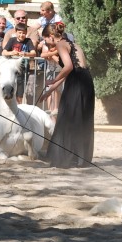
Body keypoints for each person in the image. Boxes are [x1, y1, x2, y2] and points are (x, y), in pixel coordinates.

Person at [39, 22, 95, 168]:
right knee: (82, 118)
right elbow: (70, 71)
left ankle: (67, 157)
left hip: (76, 82)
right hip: (86, 80)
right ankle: (81, 159)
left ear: (51, 36)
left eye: (46, 39)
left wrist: (53, 79)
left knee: (68, 118)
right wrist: (50, 90)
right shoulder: (74, 44)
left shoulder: (60, 45)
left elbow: (69, 67)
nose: (46, 43)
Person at [2, 22, 37, 103]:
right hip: (12, 68)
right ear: (16, 32)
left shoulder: (28, 41)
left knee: (20, 88)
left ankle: (19, 105)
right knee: (11, 85)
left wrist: (25, 54)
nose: (21, 35)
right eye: (20, 33)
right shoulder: (12, 40)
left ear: (26, 33)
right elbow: (4, 52)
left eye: (24, 33)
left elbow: (33, 53)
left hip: (23, 68)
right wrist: (11, 53)